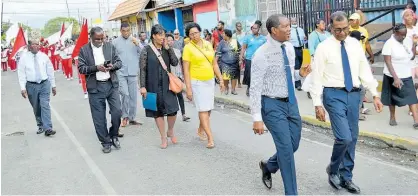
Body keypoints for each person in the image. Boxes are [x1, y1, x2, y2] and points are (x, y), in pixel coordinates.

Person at [311, 11, 383, 194]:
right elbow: (317, 76)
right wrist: (317, 104)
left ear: (349, 27)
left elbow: (364, 70)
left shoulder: (354, 45)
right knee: (344, 137)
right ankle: (333, 169)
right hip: (333, 94)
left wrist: (374, 94)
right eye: (337, 30)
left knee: (352, 138)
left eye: (344, 29)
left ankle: (346, 177)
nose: (341, 33)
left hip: (354, 94)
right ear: (331, 28)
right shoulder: (324, 47)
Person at [251, 14, 311, 195]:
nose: (289, 29)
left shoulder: (290, 48)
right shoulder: (261, 55)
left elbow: (289, 76)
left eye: (289, 25)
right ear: (274, 30)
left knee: (293, 145)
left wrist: (300, 74)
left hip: (291, 103)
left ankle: (269, 166)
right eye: (285, 26)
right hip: (271, 105)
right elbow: (255, 88)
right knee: (285, 150)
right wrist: (256, 118)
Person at [78, 27, 123, 153]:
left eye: (102, 38)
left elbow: (119, 62)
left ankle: (114, 135)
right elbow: (81, 68)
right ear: (90, 37)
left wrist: (112, 66)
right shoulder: (84, 50)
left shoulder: (109, 46)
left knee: (117, 112)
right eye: (97, 39)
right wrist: (96, 68)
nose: (100, 41)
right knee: (99, 117)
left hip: (111, 84)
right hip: (95, 87)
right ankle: (105, 142)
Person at [182, 22, 225, 149]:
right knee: (203, 109)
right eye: (191, 34)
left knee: (208, 108)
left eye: (196, 32)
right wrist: (188, 88)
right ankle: (210, 137)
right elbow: (186, 70)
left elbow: (214, 64)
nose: (194, 35)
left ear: (200, 32)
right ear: (188, 36)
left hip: (209, 80)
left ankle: (201, 128)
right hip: (197, 82)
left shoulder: (207, 44)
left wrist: (221, 79)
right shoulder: (188, 48)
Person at [139, 25, 180, 149]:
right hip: (152, 84)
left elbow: (175, 62)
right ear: (154, 36)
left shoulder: (166, 48)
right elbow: (142, 69)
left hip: (168, 84)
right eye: (160, 35)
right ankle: (163, 136)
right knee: (158, 112)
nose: (163, 37)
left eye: (164, 35)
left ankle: (170, 130)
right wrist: (142, 86)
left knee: (173, 109)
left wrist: (169, 49)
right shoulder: (146, 50)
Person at [17, 30, 57, 136]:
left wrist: (53, 85)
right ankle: (40, 125)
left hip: (44, 84)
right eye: (33, 44)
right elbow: (21, 74)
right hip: (31, 86)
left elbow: (50, 71)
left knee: (45, 105)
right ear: (29, 46)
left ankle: (48, 128)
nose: (36, 46)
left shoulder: (44, 56)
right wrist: (23, 88)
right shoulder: (24, 58)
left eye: (37, 44)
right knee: (36, 107)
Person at [381, 23, 418, 129]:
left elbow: (411, 57)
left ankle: (416, 120)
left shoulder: (406, 41)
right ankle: (392, 117)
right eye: (401, 34)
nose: (403, 36)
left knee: (412, 98)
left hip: (406, 74)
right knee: (392, 98)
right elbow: (388, 62)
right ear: (395, 33)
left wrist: (414, 44)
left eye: (405, 34)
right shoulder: (389, 44)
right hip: (392, 75)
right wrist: (396, 78)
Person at [113, 23, 143, 128]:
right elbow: (112, 56)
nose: (126, 33)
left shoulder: (135, 41)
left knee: (133, 96)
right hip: (120, 72)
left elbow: (143, 52)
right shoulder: (115, 42)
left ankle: (132, 118)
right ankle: (124, 116)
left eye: (128, 30)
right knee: (125, 94)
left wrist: (138, 44)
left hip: (133, 73)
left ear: (130, 30)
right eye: (124, 31)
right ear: (120, 31)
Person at [166, 33, 191, 122]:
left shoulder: (177, 51)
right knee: (170, 97)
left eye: (171, 40)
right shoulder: (163, 52)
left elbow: (181, 64)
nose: (169, 42)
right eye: (167, 40)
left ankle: (183, 114)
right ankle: (170, 114)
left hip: (178, 75)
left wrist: (183, 75)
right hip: (169, 76)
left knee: (180, 95)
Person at [240, 20, 266, 96]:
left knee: (259, 74)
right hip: (249, 59)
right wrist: (241, 57)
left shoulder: (263, 38)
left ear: (259, 29)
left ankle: (260, 89)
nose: (254, 30)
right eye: (253, 28)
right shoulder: (247, 37)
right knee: (249, 75)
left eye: (256, 28)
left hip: (260, 60)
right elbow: (243, 48)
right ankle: (249, 88)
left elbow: (265, 49)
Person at [215, 29, 241, 95]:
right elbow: (218, 54)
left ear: (227, 35)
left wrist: (240, 60)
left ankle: (233, 90)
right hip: (225, 63)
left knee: (234, 77)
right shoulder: (221, 43)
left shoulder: (235, 41)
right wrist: (214, 63)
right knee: (225, 77)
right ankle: (226, 88)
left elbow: (239, 51)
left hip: (234, 63)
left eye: (223, 34)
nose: (222, 35)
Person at [290, 17, 306, 91]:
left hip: (301, 48)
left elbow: (305, 39)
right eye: (293, 21)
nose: (294, 22)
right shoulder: (289, 31)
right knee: (296, 66)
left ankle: (304, 82)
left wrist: (305, 40)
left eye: (295, 21)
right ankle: (298, 84)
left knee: (302, 65)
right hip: (293, 49)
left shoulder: (301, 30)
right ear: (290, 22)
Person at [232, 21, 246, 88]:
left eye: (240, 26)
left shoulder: (244, 34)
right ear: (236, 27)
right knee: (238, 68)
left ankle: (246, 81)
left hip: (245, 52)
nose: (239, 27)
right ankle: (239, 82)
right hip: (237, 53)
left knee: (247, 67)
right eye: (238, 26)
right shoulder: (234, 35)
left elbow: (246, 42)